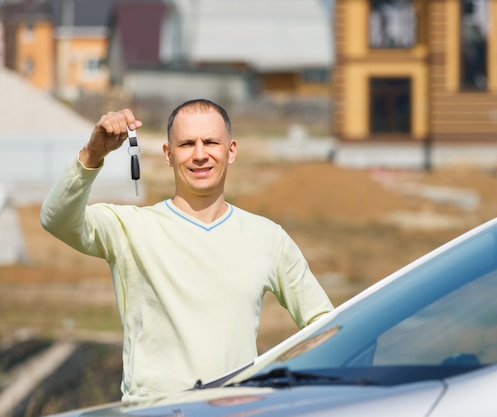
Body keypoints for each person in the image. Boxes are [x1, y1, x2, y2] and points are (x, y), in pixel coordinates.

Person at [40, 99, 333, 400]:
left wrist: (276, 389)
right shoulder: (132, 229)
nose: (200, 154)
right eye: (186, 144)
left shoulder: (269, 237)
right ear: (168, 154)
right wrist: (93, 154)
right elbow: (56, 219)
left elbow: (325, 326)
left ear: (231, 150)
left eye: (210, 142)